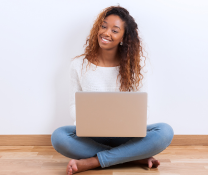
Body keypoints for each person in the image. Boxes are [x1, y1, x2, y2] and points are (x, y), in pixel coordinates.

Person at [51, 6, 174, 175]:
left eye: (114, 30)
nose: (106, 33)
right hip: (92, 134)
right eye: (103, 26)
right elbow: (74, 106)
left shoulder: (136, 68)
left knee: (165, 132)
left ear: (124, 37)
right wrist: (91, 116)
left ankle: (93, 162)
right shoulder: (78, 65)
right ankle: (132, 155)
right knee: (58, 137)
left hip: (127, 135)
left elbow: (143, 110)